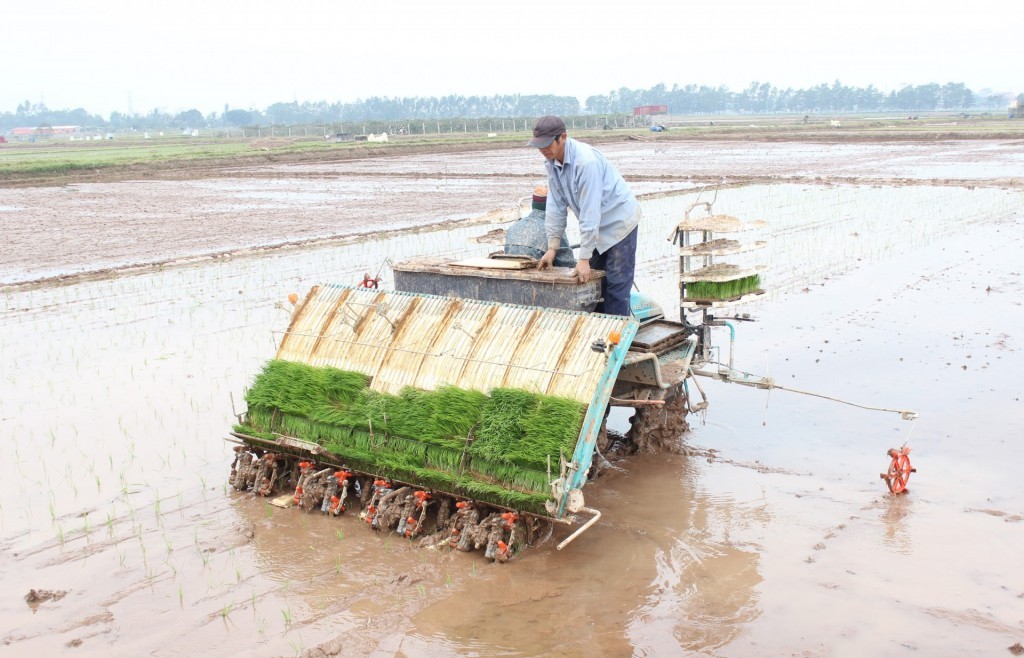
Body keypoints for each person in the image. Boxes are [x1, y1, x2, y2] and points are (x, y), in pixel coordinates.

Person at [528, 115, 640, 317]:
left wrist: (584, 257)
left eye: (546, 144)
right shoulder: (552, 163)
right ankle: (597, 336)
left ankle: (617, 341)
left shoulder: (585, 162)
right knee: (592, 286)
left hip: (618, 223)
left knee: (615, 287)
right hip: (597, 227)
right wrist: (552, 247)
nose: (542, 150)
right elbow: (555, 206)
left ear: (563, 137)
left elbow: (590, 213)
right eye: (539, 146)